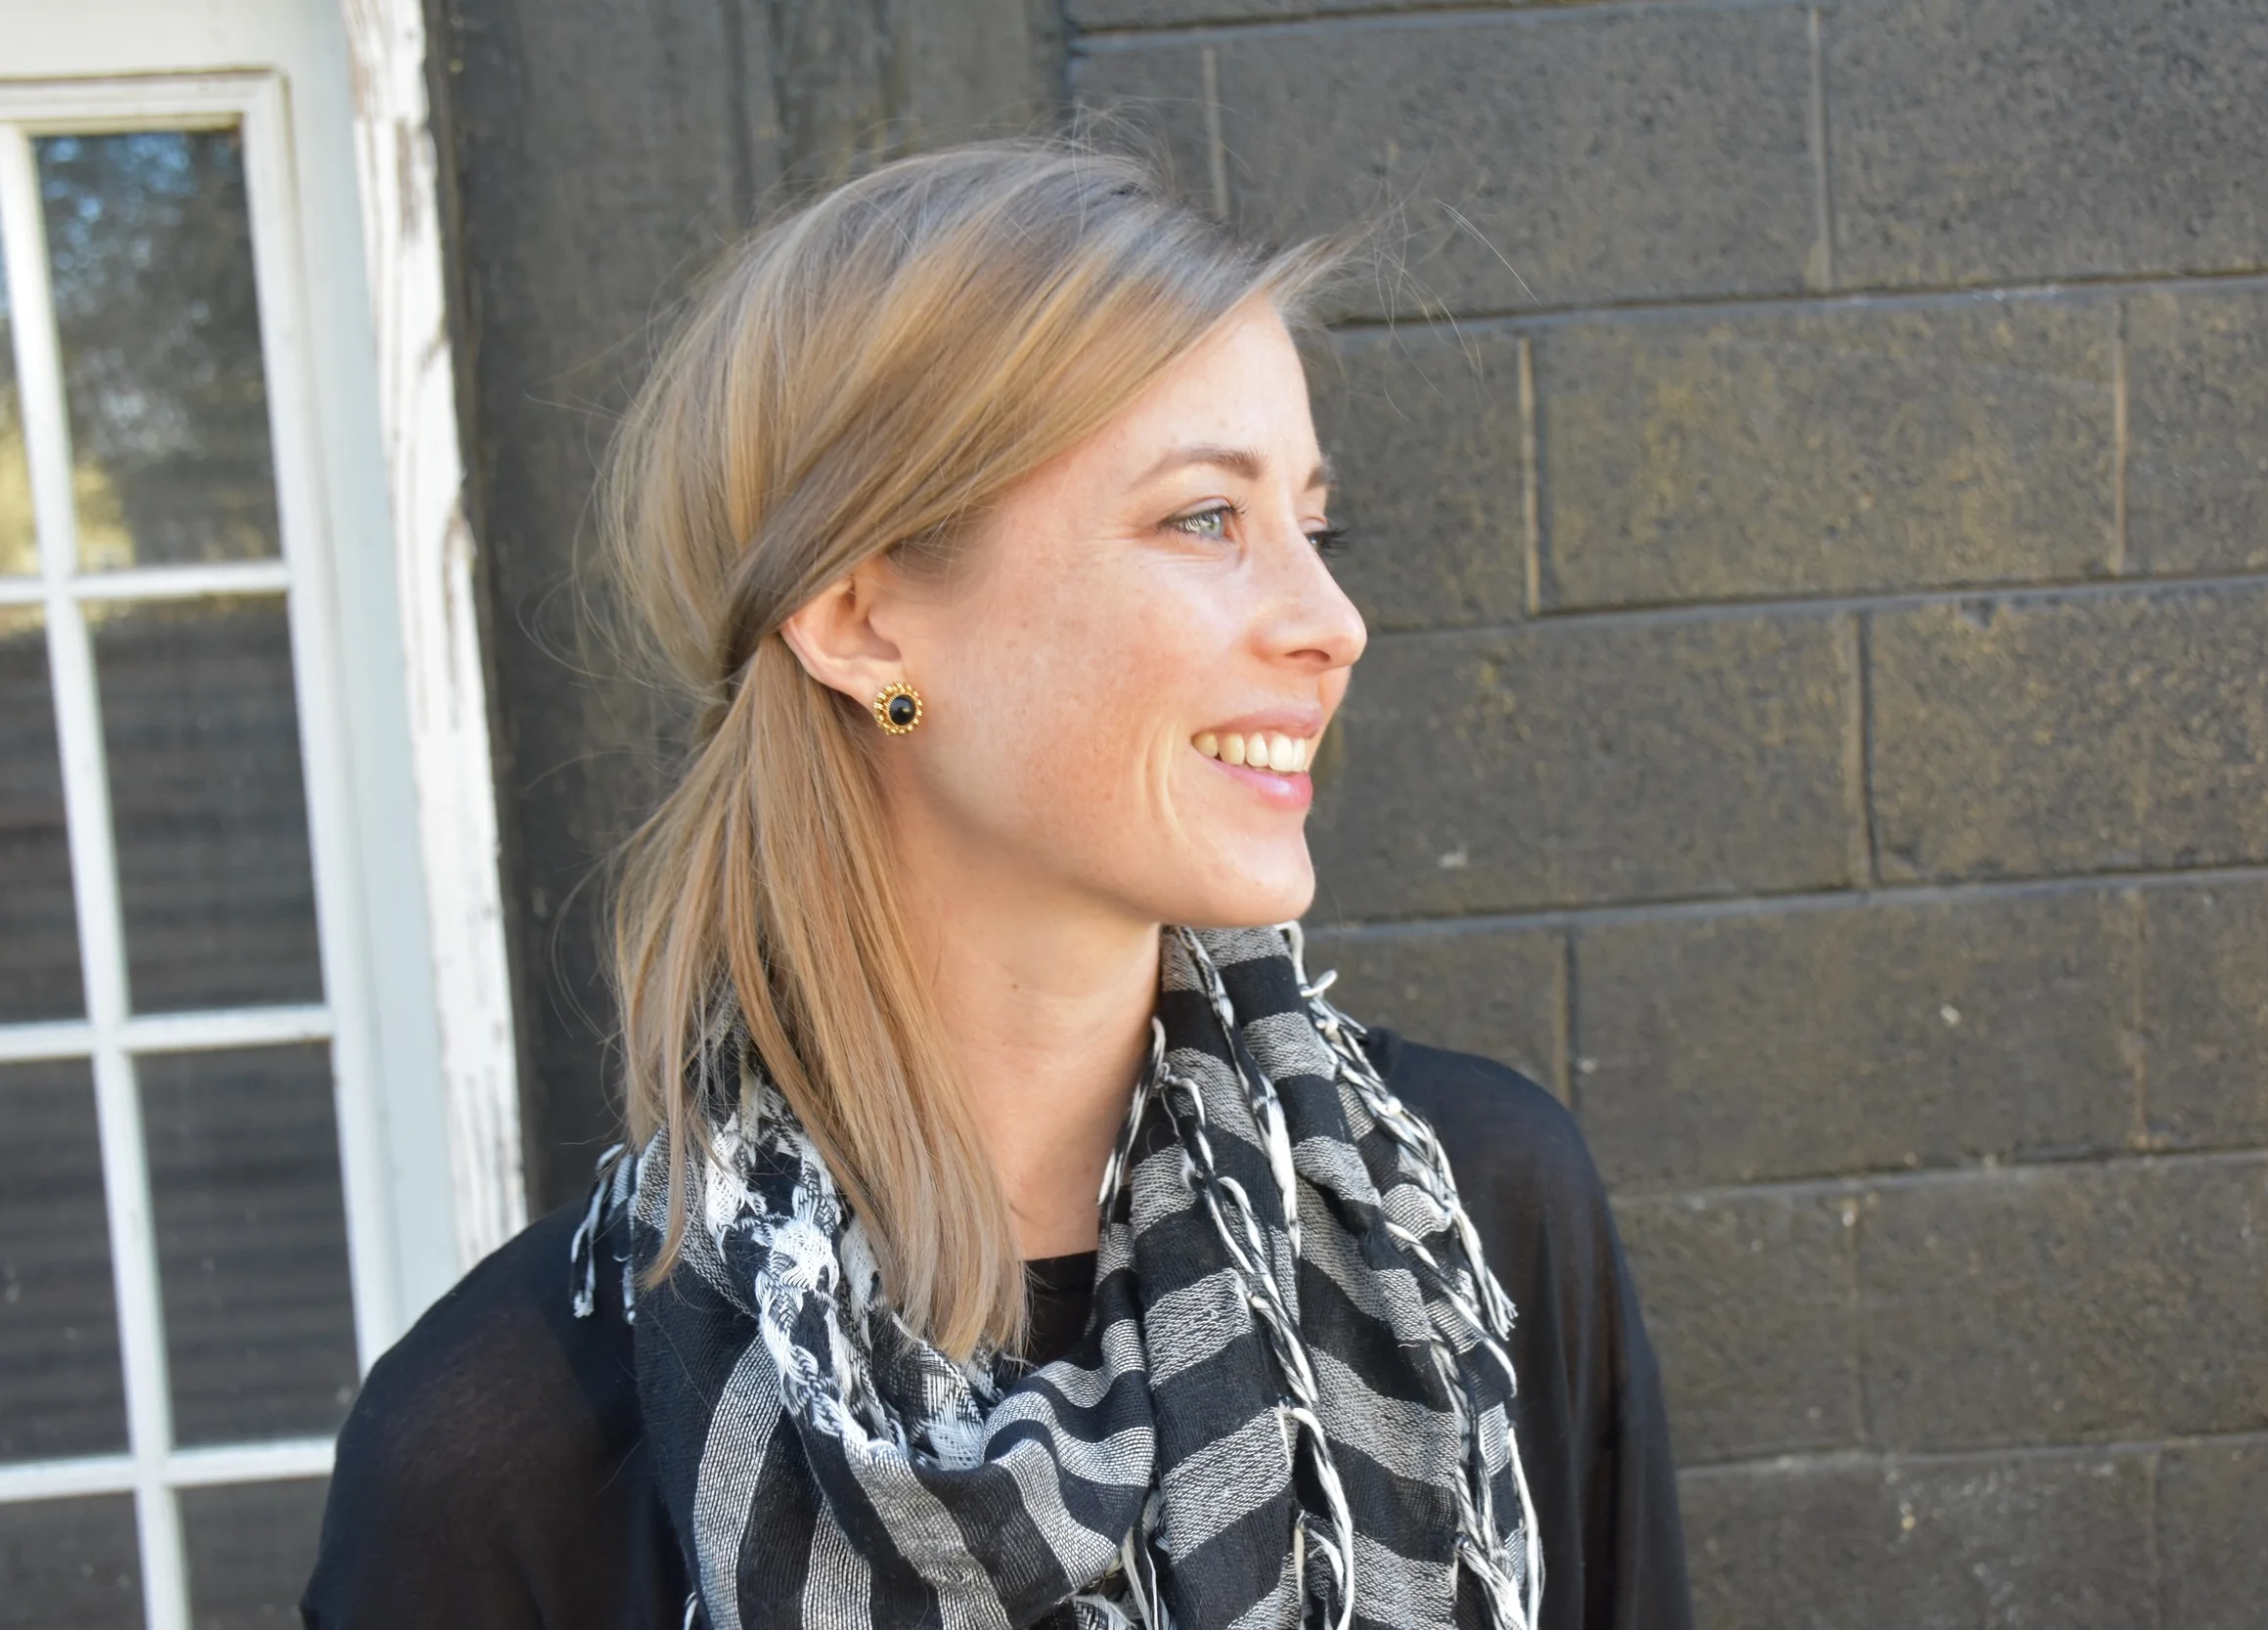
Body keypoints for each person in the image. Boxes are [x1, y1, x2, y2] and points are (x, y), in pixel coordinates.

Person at [303, 139, 1692, 1630]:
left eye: (1316, 524)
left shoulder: (1460, 1230)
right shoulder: (506, 1458)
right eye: (1206, 518)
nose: (1331, 618)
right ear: (864, 622)